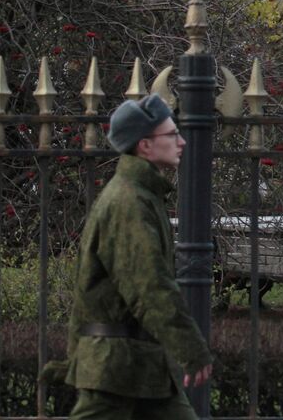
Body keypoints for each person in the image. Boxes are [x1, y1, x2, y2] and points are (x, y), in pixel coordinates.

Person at [48, 93, 214, 420]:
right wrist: (190, 347)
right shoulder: (129, 203)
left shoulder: (140, 196)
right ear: (145, 145)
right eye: (171, 135)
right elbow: (149, 286)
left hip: (137, 367)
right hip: (115, 369)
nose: (181, 142)